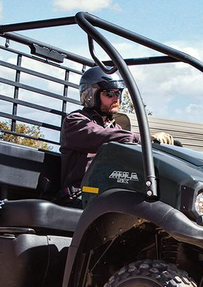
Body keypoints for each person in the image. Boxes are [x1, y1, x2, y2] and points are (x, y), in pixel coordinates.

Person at [59, 65, 172, 203]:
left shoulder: (115, 127)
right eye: (109, 94)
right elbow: (101, 136)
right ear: (90, 95)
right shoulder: (75, 121)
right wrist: (144, 138)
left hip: (105, 193)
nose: (116, 98)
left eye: (118, 93)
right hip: (80, 194)